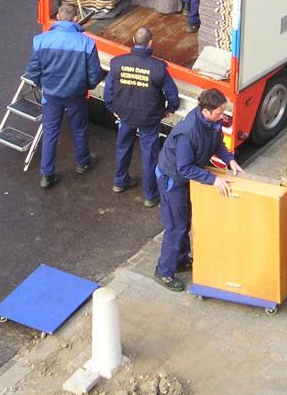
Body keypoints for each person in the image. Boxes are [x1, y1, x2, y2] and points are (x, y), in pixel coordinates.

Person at [153, 88, 242, 292]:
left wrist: (230, 160)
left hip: (184, 177)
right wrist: (213, 179)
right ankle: (164, 271)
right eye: (219, 112)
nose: (223, 115)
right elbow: (184, 167)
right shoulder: (189, 132)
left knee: (185, 220)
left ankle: (182, 259)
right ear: (206, 112)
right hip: (172, 179)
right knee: (176, 226)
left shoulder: (212, 123)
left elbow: (218, 144)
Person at [25, 3, 102, 188]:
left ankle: (47, 174)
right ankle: (83, 161)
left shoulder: (41, 40)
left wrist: (43, 84)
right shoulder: (86, 44)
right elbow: (95, 75)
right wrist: (86, 86)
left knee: (50, 131)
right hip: (76, 94)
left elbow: (33, 70)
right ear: (76, 18)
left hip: (51, 94)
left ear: (58, 17)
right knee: (80, 128)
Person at [104, 27, 180, 207]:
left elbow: (108, 93)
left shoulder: (117, 63)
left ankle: (120, 181)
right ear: (150, 43)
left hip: (126, 116)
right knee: (149, 155)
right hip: (149, 119)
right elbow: (172, 94)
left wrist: (113, 108)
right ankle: (150, 194)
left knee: (122, 147)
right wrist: (170, 109)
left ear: (133, 39)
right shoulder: (158, 67)